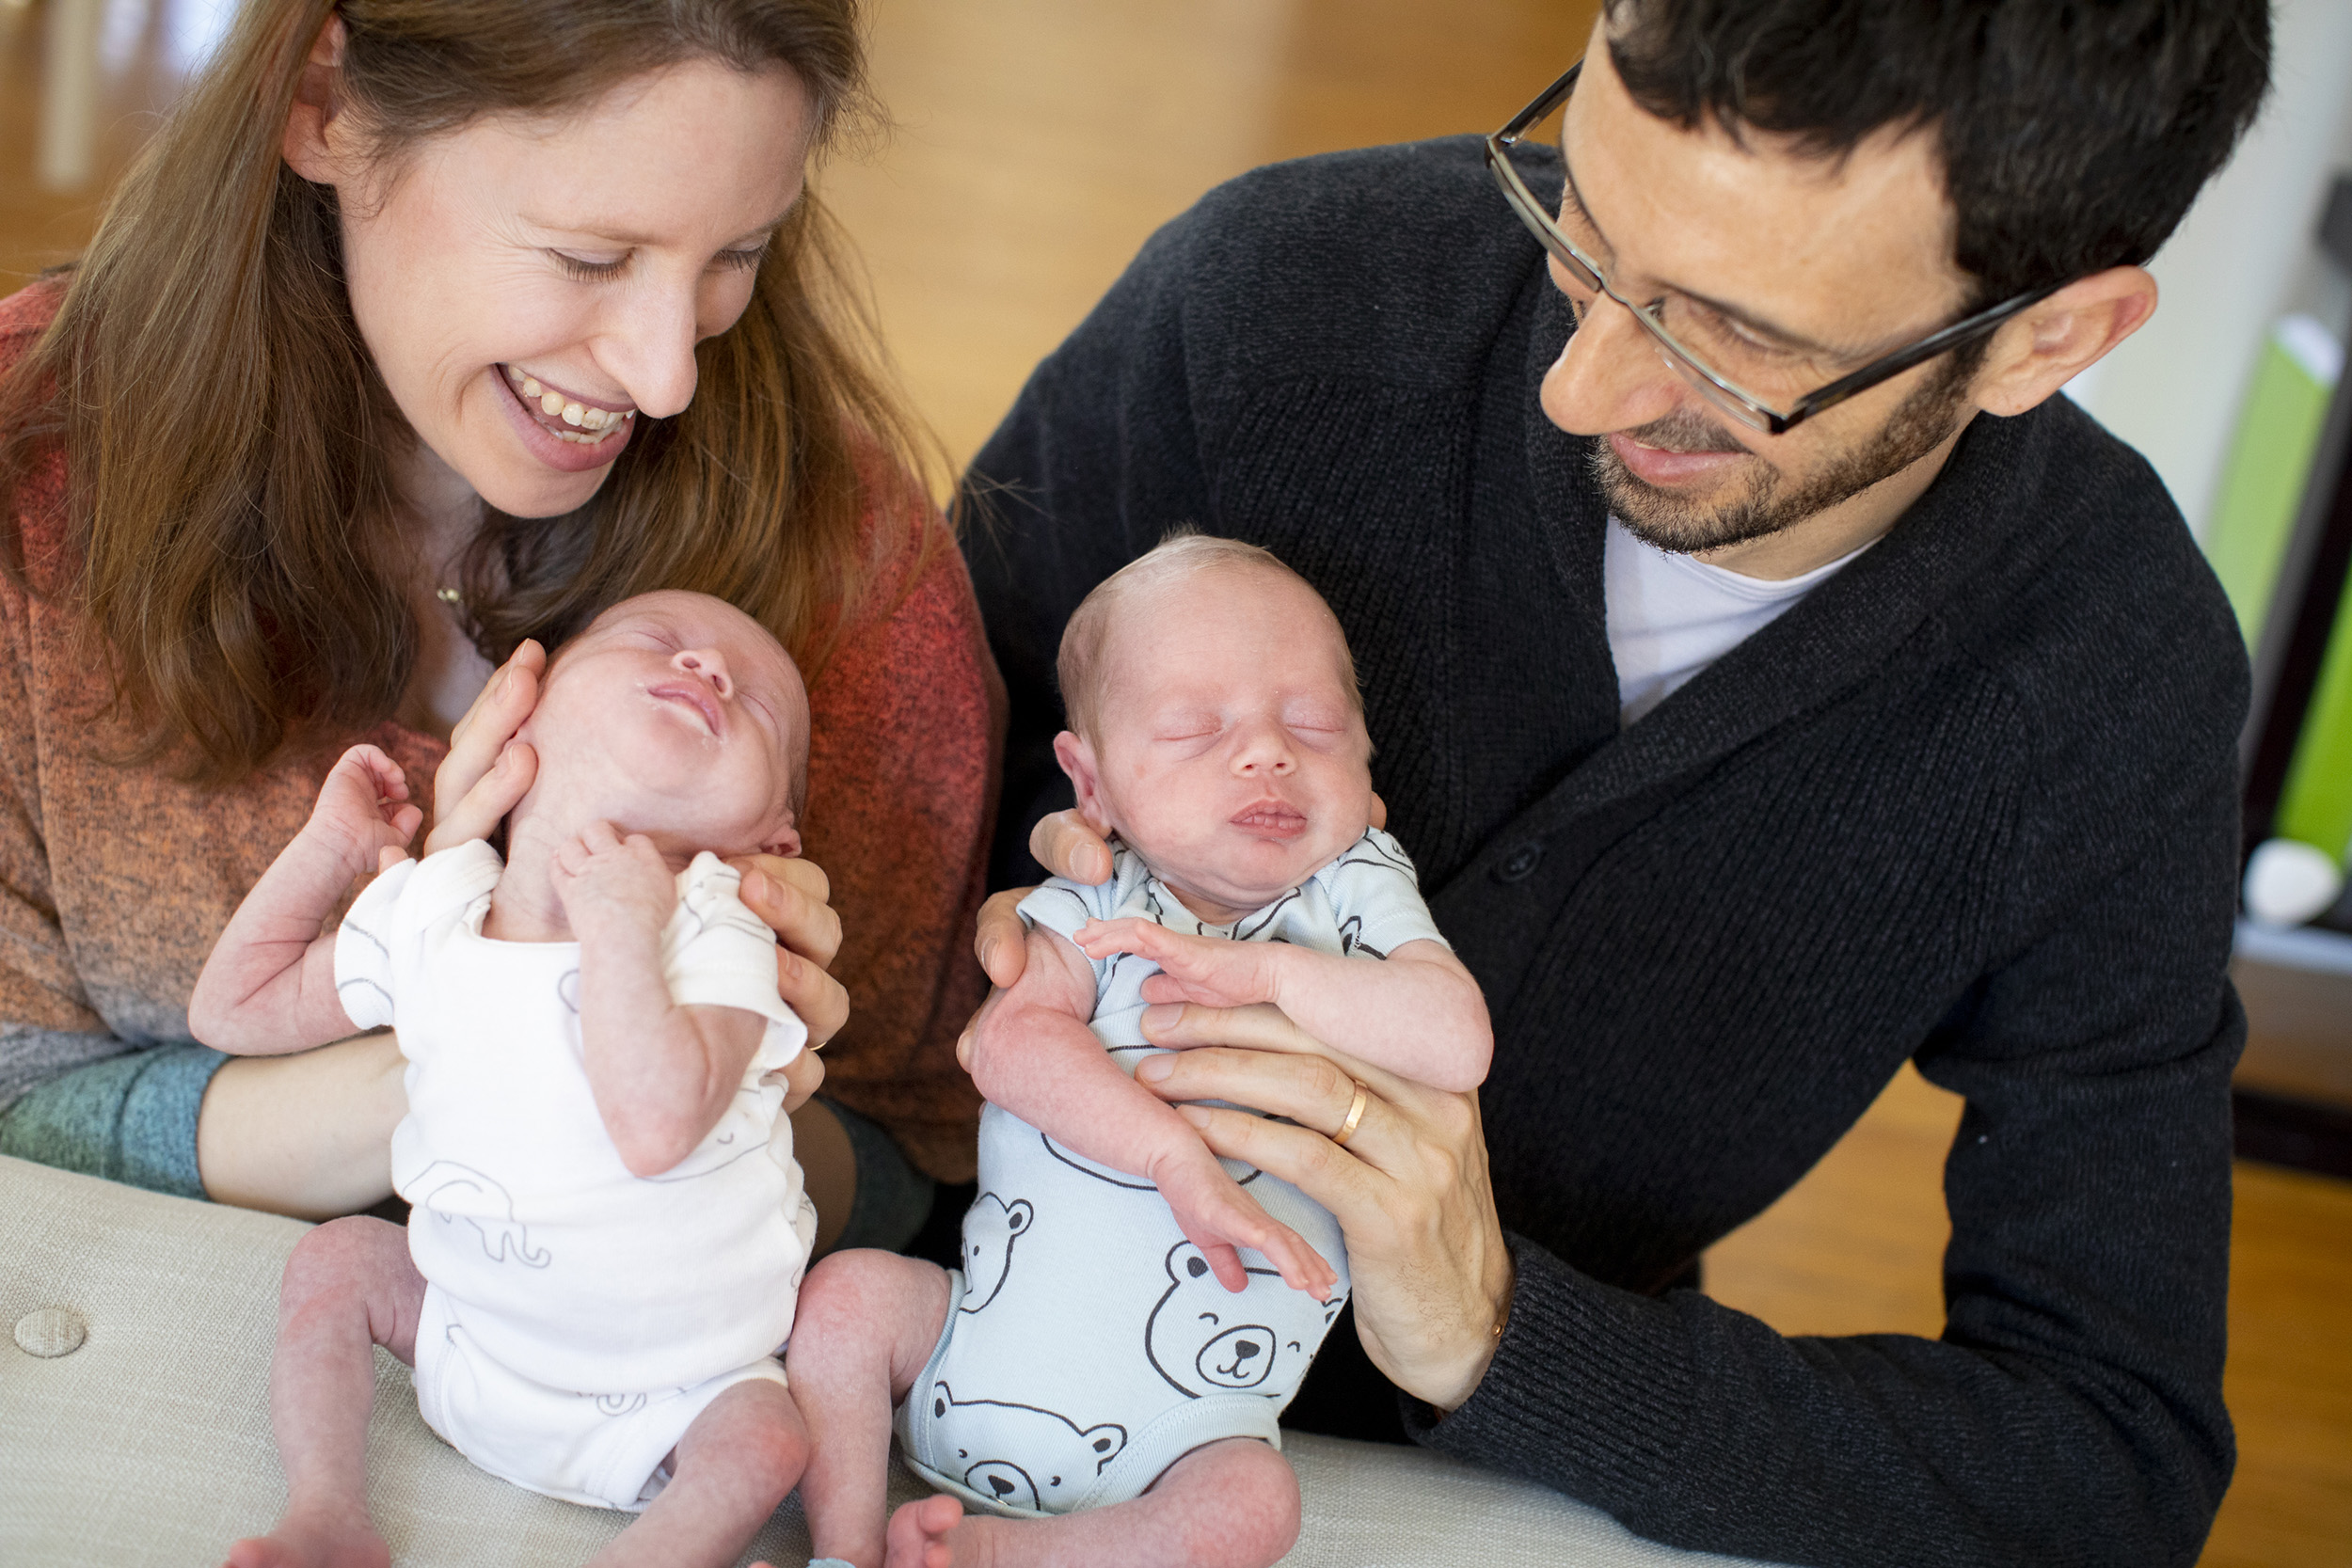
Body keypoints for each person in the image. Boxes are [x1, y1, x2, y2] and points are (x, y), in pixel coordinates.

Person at [960, 2, 2270, 1564]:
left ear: (2047, 336)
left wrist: (1502, 1330)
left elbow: (2111, 1455)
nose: (1576, 385)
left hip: (1510, 1491)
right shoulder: (1276, 297)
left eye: (1735, 342)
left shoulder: (2114, 682)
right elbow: (903, 758)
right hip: (951, 1344)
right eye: (1577, 217)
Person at [0, 0, 996, 1248]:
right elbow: (14, 1104)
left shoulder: (842, 563)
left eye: (739, 252)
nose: (666, 374)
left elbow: (921, 1157)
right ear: (326, 106)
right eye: (588, 256)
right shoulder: (27, 487)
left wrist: (717, 1072)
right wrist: (485, 1033)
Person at [786, 536, 1489, 1568]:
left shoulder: (1353, 897)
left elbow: (1456, 1036)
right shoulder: (1095, 894)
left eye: (1313, 725)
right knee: (845, 1300)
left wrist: (1272, 977)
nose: (1265, 753)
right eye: (1193, 729)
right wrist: (1170, 1157)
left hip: (1184, 1438)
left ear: (1368, 764)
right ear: (1093, 782)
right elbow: (1011, 1044)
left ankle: (990, 1557)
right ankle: (842, 1547)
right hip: (963, 1338)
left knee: (1255, 1504)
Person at [194, 591, 823, 1568]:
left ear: (772, 836)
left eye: (759, 708)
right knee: (334, 1261)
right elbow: (234, 1009)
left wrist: (619, 922)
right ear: (520, 711)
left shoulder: (718, 924)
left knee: (770, 1439)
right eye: (656, 642)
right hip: (467, 1330)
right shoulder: (436, 903)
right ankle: (327, 1514)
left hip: (681, 1389)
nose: (709, 668)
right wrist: (329, 852)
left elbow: (657, 1126)